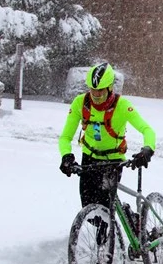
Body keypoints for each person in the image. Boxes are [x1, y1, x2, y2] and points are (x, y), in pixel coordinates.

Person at [58, 62, 157, 227]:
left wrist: (147, 149)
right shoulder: (80, 103)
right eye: (92, 90)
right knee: (89, 210)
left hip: (113, 161)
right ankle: (115, 224)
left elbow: (147, 129)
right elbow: (65, 137)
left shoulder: (122, 106)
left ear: (110, 88)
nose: (96, 94)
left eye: (100, 90)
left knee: (105, 207)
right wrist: (66, 156)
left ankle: (109, 241)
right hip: (89, 159)